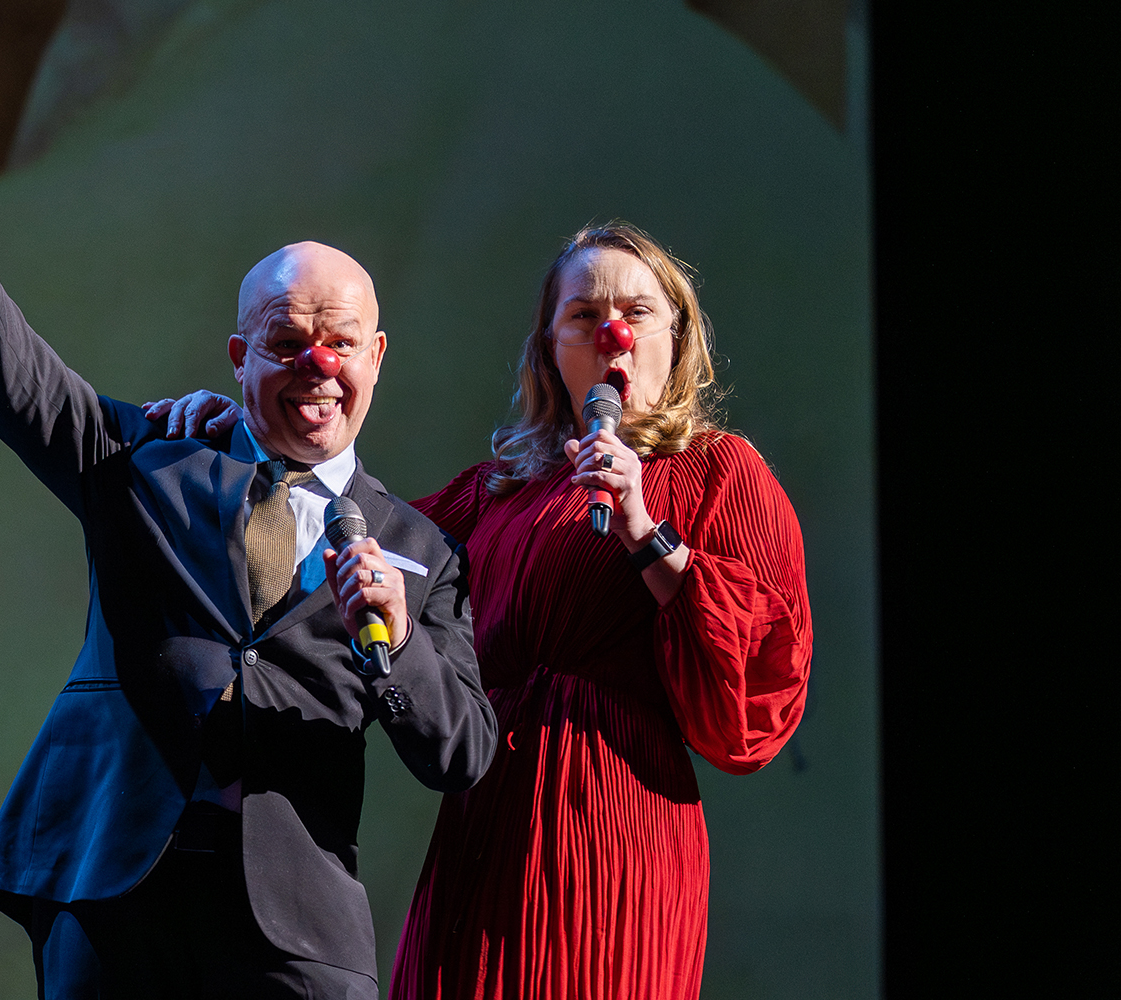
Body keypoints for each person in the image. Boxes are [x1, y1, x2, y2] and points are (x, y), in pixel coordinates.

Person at [0, 51, 498, 999]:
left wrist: (400, 642)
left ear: (377, 356)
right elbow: (11, 374)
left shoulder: (421, 552)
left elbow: (461, 754)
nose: (319, 365)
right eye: (288, 341)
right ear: (240, 356)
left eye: (341, 343)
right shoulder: (148, 461)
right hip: (117, 886)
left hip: (293, 922)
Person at [150, 221, 811, 999]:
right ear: (550, 347)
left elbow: (758, 687)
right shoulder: (493, 493)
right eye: (583, 315)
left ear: (678, 337)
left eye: (638, 312)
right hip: (487, 818)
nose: (614, 335)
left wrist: (644, 529)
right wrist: (249, 433)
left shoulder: (718, 471)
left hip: (616, 823)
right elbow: (339, 535)